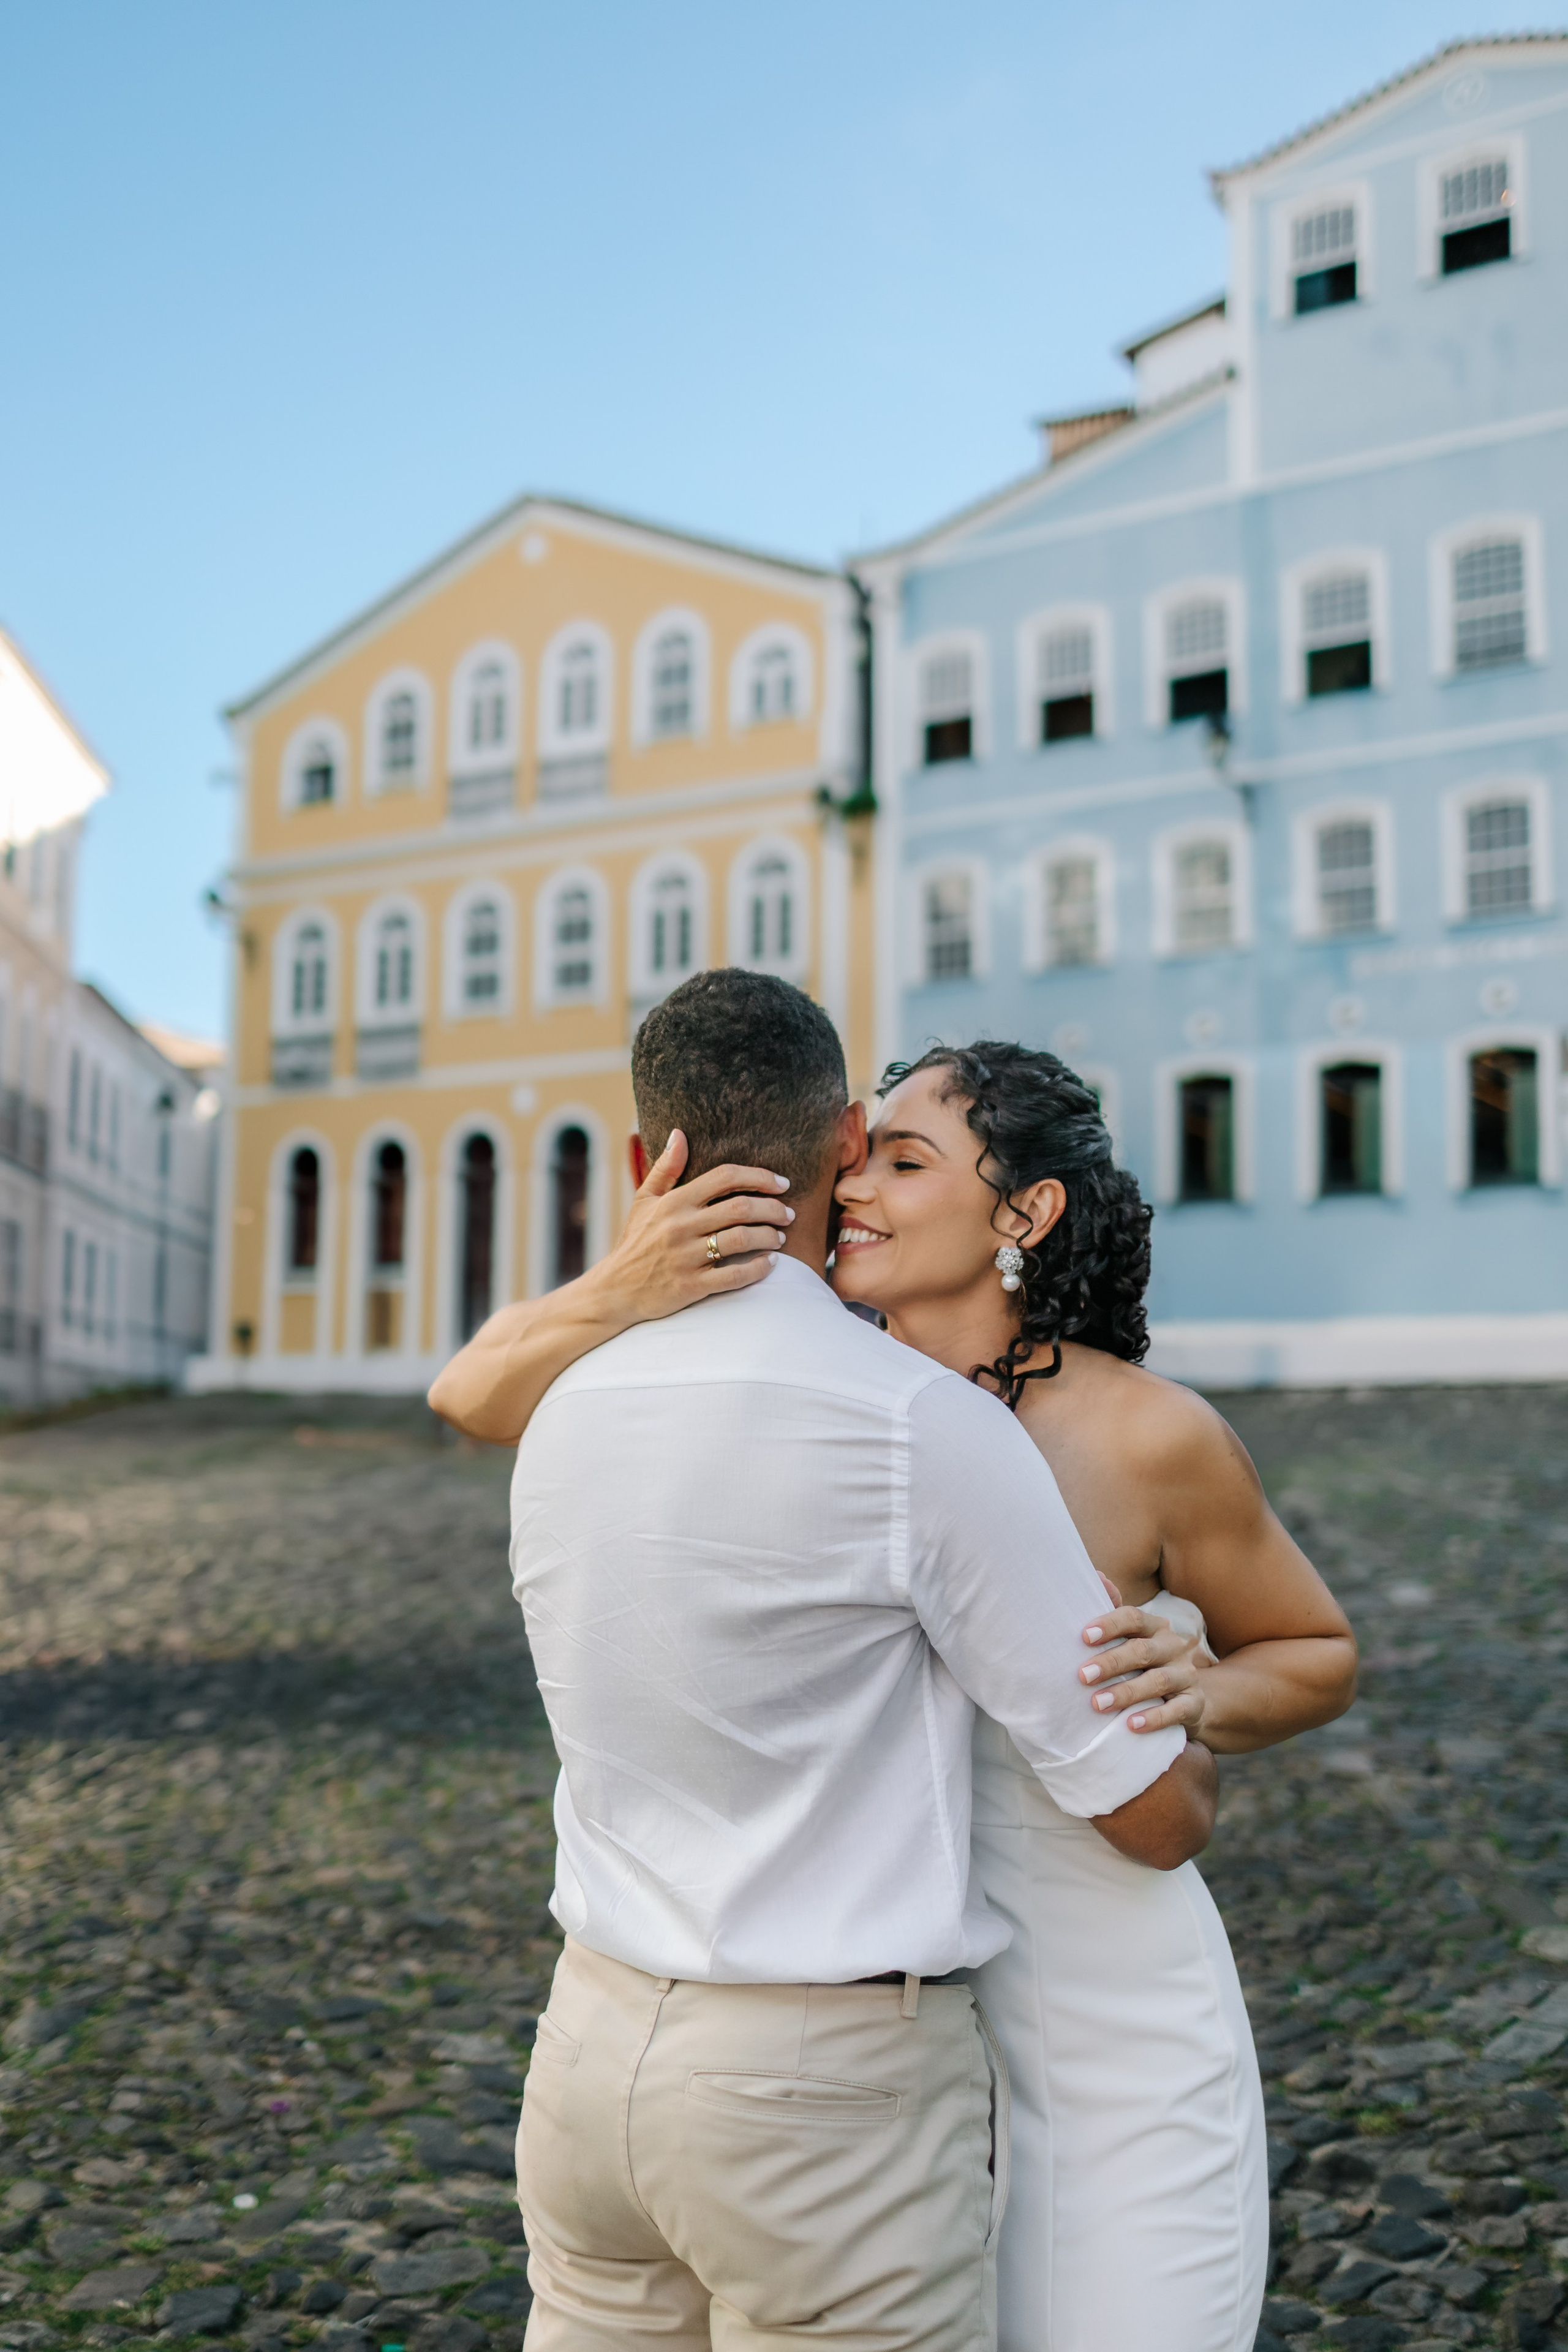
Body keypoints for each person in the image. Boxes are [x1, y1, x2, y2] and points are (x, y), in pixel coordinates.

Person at [431, 1002, 1358, 2352]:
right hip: (897, 2039)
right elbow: (473, 1398)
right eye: (860, 1155)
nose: (852, 1184)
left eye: (904, 1163)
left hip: (1100, 2011)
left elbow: (1315, 1652)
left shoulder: (1146, 1435)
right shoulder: (846, 1394)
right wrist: (619, 1286)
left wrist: (1196, 1690)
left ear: (1022, 1214)